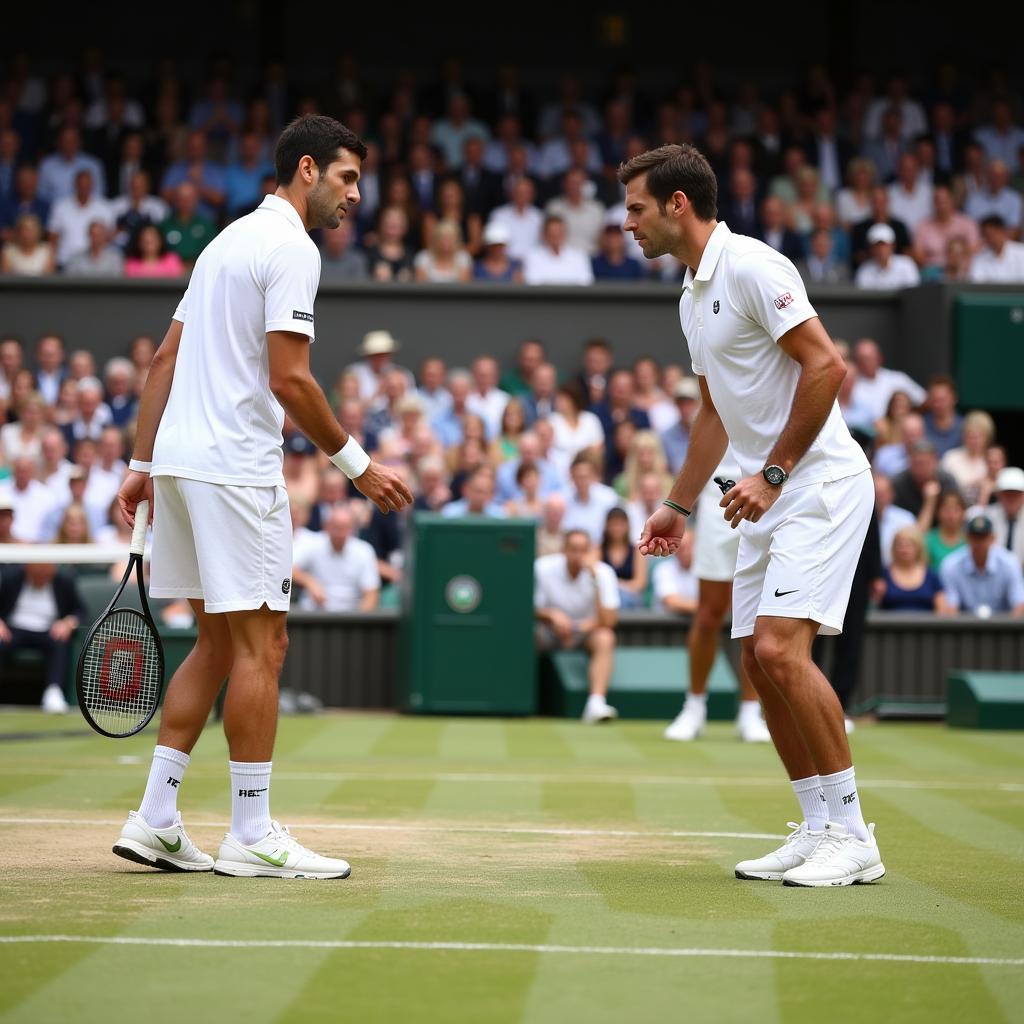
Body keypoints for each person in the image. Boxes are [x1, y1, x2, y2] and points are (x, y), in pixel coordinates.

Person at [114, 114, 412, 879]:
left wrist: (141, 462)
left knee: (218, 642)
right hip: (234, 468)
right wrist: (359, 466)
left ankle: (154, 818)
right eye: (347, 177)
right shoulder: (289, 247)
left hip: (182, 463)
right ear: (305, 169)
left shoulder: (223, 243)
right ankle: (251, 831)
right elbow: (290, 379)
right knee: (262, 645)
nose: (355, 195)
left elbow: (164, 359)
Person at [623, 143, 884, 886]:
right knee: (757, 664)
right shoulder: (687, 293)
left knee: (778, 652)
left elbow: (826, 364)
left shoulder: (754, 266)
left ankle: (855, 834)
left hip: (818, 483)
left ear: (678, 204)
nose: (629, 224)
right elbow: (713, 411)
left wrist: (773, 472)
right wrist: (676, 503)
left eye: (638, 207)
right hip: (761, 492)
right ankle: (819, 825)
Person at [664, 459, 772, 744]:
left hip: (769, 493)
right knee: (709, 614)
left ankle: (750, 711)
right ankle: (694, 707)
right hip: (719, 496)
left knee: (754, 615)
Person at [534, 529, 620, 723]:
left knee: (606, 638)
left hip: (586, 633)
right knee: (527, 635)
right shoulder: (542, 568)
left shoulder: (603, 573)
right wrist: (551, 616)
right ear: (563, 550)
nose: (578, 556)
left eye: (583, 550)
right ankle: (523, 697)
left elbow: (609, 621)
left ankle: (596, 704)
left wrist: (595, 581)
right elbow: (528, 608)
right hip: (548, 631)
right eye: (573, 549)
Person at [0, 561, 86, 713]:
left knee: (60, 641)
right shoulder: (10, 577)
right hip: (13, 630)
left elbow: (80, 610)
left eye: (46, 572)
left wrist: (68, 622)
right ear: (27, 568)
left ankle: (54, 692)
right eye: (37, 572)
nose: (41, 576)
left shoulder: (64, 580)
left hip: (49, 630)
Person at [291, 504, 380, 611]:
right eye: (336, 527)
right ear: (327, 526)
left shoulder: (364, 551)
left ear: (352, 529)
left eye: (344, 528)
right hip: (313, 615)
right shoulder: (313, 544)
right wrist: (309, 582)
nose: (339, 533)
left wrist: (359, 620)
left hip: (351, 617)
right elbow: (288, 568)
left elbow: (371, 593)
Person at [939, 515, 1024, 617]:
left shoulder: (1009, 563)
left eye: (983, 538)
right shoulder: (951, 565)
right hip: (964, 629)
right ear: (967, 538)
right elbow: (951, 609)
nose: (978, 543)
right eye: (974, 537)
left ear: (992, 539)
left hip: (1003, 629)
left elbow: (1019, 605)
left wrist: (1009, 630)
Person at [849, 338, 926, 421]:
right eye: (861, 359)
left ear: (879, 358)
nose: (866, 363)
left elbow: (923, 399)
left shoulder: (898, 379)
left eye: (869, 358)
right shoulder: (851, 384)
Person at [879, 526, 951, 612]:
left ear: (918, 547)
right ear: (894, 547)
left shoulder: (931, 576)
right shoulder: (883, 575)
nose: (904, 549)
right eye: (900, 544)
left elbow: (942, 610)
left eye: (909, 545)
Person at [522, 214, 594, 285]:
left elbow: (586, 283)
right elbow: (533, 283)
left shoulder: (579, 256)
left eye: (559, 233)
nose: (556, 237)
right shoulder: (532, 256)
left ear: (565, 234)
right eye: (552, 233)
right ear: (544, 235)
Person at [600, 506, 648, 608]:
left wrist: (617, 586)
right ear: (607, 526)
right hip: (604, 598)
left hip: (631, 601)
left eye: (620, 524)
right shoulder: (598, 550)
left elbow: (640, 583)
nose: (617, 529)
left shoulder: (636, 551)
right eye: (613, 524)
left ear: (627, 526)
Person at [854, 223, 921, 289]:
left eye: (884, 245)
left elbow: (913, 293)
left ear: (893, 246)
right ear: (871, 248)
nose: (881, 249)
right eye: (877, 246)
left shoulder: (907, 265)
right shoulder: (864, 270)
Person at [983, 466, 1024, 569]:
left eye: (1016, 494)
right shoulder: (987, 517)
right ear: (999, 495)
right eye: (1007, 494)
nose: (1011, 498)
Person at [968, 215, 1024, 283]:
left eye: (991, 234)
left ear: (1002, 231)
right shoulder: (980, 258)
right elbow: (977, 283)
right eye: (985, 236)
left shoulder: (1021, 252)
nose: (989, 239)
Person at [925, 490, 967, 570]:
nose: (951, 516)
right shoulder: (928, 540)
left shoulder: (970, 540)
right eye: (946, 510)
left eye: (956, 510)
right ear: (937, 512)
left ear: (963, 512)